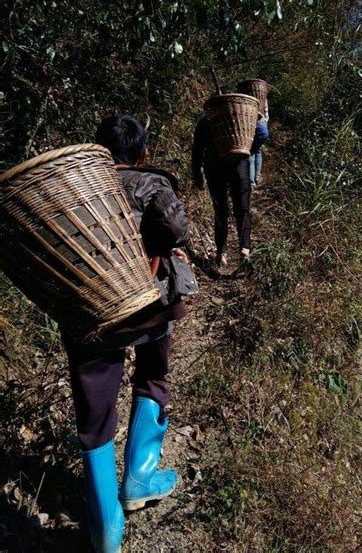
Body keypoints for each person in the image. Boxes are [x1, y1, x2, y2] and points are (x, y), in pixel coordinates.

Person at [64, 114, 190, 553]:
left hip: (88, 309)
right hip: (146, 302)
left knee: (94, 409)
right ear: (142, 153)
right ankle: (139, 478)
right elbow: (175, 227)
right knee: (153, 374)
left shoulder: (75, 187)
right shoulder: (150, 182)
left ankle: (105, 530)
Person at [192, 113, 251, 265]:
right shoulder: (242, 115)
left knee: (220, 210)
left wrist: (197, 173)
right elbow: (261, 132)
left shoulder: (207, 118)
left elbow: (197, 147)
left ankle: (221, 253)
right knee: (242, 208)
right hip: (240, 164)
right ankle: (245, 248)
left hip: (214, 164)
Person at [249, 114, 269, 188]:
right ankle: (257, 177)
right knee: (257, 150)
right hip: (263, 122)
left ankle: (252, 183)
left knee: (251, 152)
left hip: (253, 121)